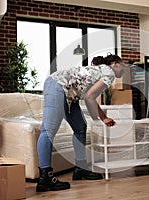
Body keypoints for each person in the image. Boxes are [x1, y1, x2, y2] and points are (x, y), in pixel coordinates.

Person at [36, 53, 124, 192]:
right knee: (48, 131)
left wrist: (102, 117)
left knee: (80, 128)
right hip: (59, 86)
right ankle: (45, 178)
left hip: (69, 93)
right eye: (122, 65)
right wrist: (100, 119)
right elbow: (90, 97)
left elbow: (91, 97)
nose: (123, 69)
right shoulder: (109, 72)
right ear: (115, 63)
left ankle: (80, 169)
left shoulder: (100, 70)